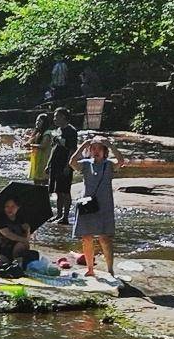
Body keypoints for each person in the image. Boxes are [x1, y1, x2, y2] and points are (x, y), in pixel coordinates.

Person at [68, 134, 121, 276]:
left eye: (99, 148)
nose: (96, 151)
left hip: (104, 206)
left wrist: (110, 145)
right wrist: (83, 145)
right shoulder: (86, 164)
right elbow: (72, 162)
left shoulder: (109, 165)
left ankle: (110, 269)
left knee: (105, 238)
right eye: (93, 148)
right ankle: (90, 269)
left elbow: (121, 161)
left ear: (104, 151)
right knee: (86, 238)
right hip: (88, 205)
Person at [0, 196, 39, 271]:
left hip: (17, 251)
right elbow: (9, 235)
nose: (10, 209)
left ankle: (19, 263)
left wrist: (28, 230)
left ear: (18, 207)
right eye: (7, 206)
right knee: (0, 264)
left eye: (13, 206)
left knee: (29, 251)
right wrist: (24, 240)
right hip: (1, 251)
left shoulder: (21, 219)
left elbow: (27, 243)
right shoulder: (0, 220)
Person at [48, 107, 78, 223]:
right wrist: (48, 164)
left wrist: (68, 166)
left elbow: (72, 150)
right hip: (55, 164)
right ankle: (58, 214)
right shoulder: (58, 130)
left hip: (64, 164)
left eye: (56, 116)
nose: (54, 119)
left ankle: (65, 217)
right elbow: (53, 148)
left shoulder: (71, 131)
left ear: (63, 117)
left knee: (65, 191)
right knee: (57, 190)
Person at [26, 112, 53, 183]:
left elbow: (43, 146)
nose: (37, 123)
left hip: (44, 160)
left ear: (44, 123)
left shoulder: (47, 133)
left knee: (43, 180)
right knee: (36, 179)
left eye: (39, 121)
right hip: (37, 159)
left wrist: (31, 145)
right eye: (36, 121)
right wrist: (28, 143)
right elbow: (31, 141)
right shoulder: (38, 133)